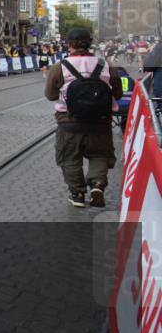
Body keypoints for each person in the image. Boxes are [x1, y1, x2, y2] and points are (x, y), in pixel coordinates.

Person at [44, 28, 123, 208]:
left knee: (70, 158)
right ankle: (97, 185)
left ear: (69, 44)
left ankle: (78, 193)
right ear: (90, 42)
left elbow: (50, 95)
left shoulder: (59, 67)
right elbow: (117, 94)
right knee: (100, 155)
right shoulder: (106, 65)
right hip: (100, 123)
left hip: (69, 122)